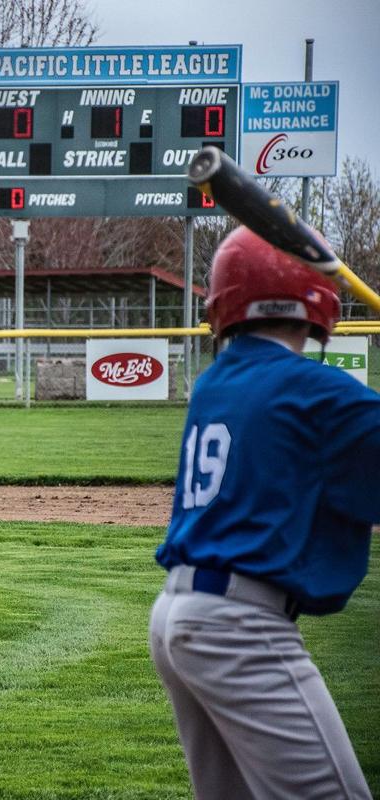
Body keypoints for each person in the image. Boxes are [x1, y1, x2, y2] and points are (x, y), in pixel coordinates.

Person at [149, 226, 376, 799]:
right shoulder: (319, 392)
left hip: (180, 616)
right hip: (239, 628)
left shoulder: (216, 384)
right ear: (318, 301)